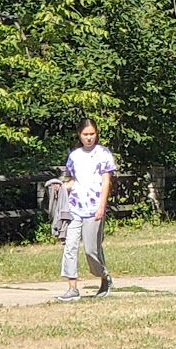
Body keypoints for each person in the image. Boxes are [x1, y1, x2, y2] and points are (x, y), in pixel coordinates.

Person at [56, 118, 116, 301]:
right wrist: (62, 187)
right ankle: (72, 288)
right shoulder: (74, 156)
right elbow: (74, 180)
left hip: (94, 208)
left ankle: (104, 276)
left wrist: (101, 206)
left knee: (91, 250)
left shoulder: (103, 154)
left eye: (92, 134)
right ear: (79, 135)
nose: (89, 138)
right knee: (70, 246)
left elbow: (106, 181)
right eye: (85, 134)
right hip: (75, 208)